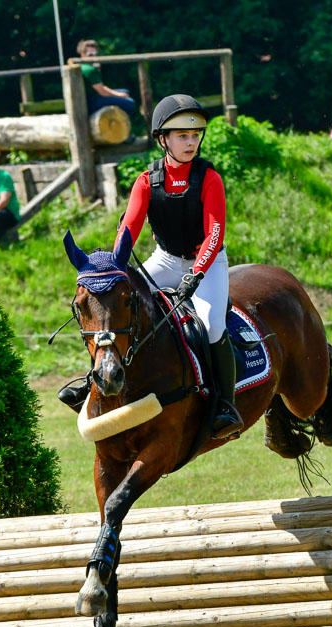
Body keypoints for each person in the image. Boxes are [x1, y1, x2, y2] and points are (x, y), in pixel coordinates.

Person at [59, 94, 243, 441]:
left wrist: (196, 273)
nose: (191, 143)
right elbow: (129, 228)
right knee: (114, 304)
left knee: (211, 322)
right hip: (165, 259)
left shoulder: (209, 179)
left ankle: (225, 405)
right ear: (163, 139)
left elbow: (214, 234)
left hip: (208, 263)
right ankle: (92, 380)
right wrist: (114, 266)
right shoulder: (147, 181)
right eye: (182, 136)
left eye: (194, 136)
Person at [76, 39, 135, 117]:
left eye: (95, 54)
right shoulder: (90, 70)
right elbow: (102, 92)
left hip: (91, 99)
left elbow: (100, 87)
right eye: (90, 54)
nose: (94, 57)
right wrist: (119, 95)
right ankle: (119, 121)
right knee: (130, 102)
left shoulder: (84, 65)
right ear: (83, 54)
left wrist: (120, 94)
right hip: (92, 103)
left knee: (125, 92)